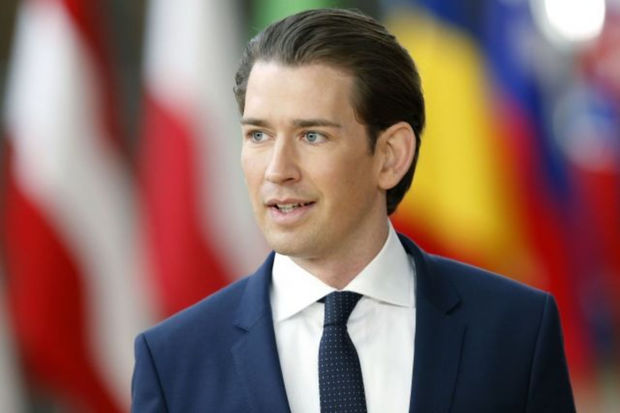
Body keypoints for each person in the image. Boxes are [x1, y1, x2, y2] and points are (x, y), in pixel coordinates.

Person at [131, 8, 575, 413]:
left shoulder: (517, 330)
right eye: (259, 136)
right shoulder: (172, 362)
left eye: (312, 136)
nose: (277, 170)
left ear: (391, 156)